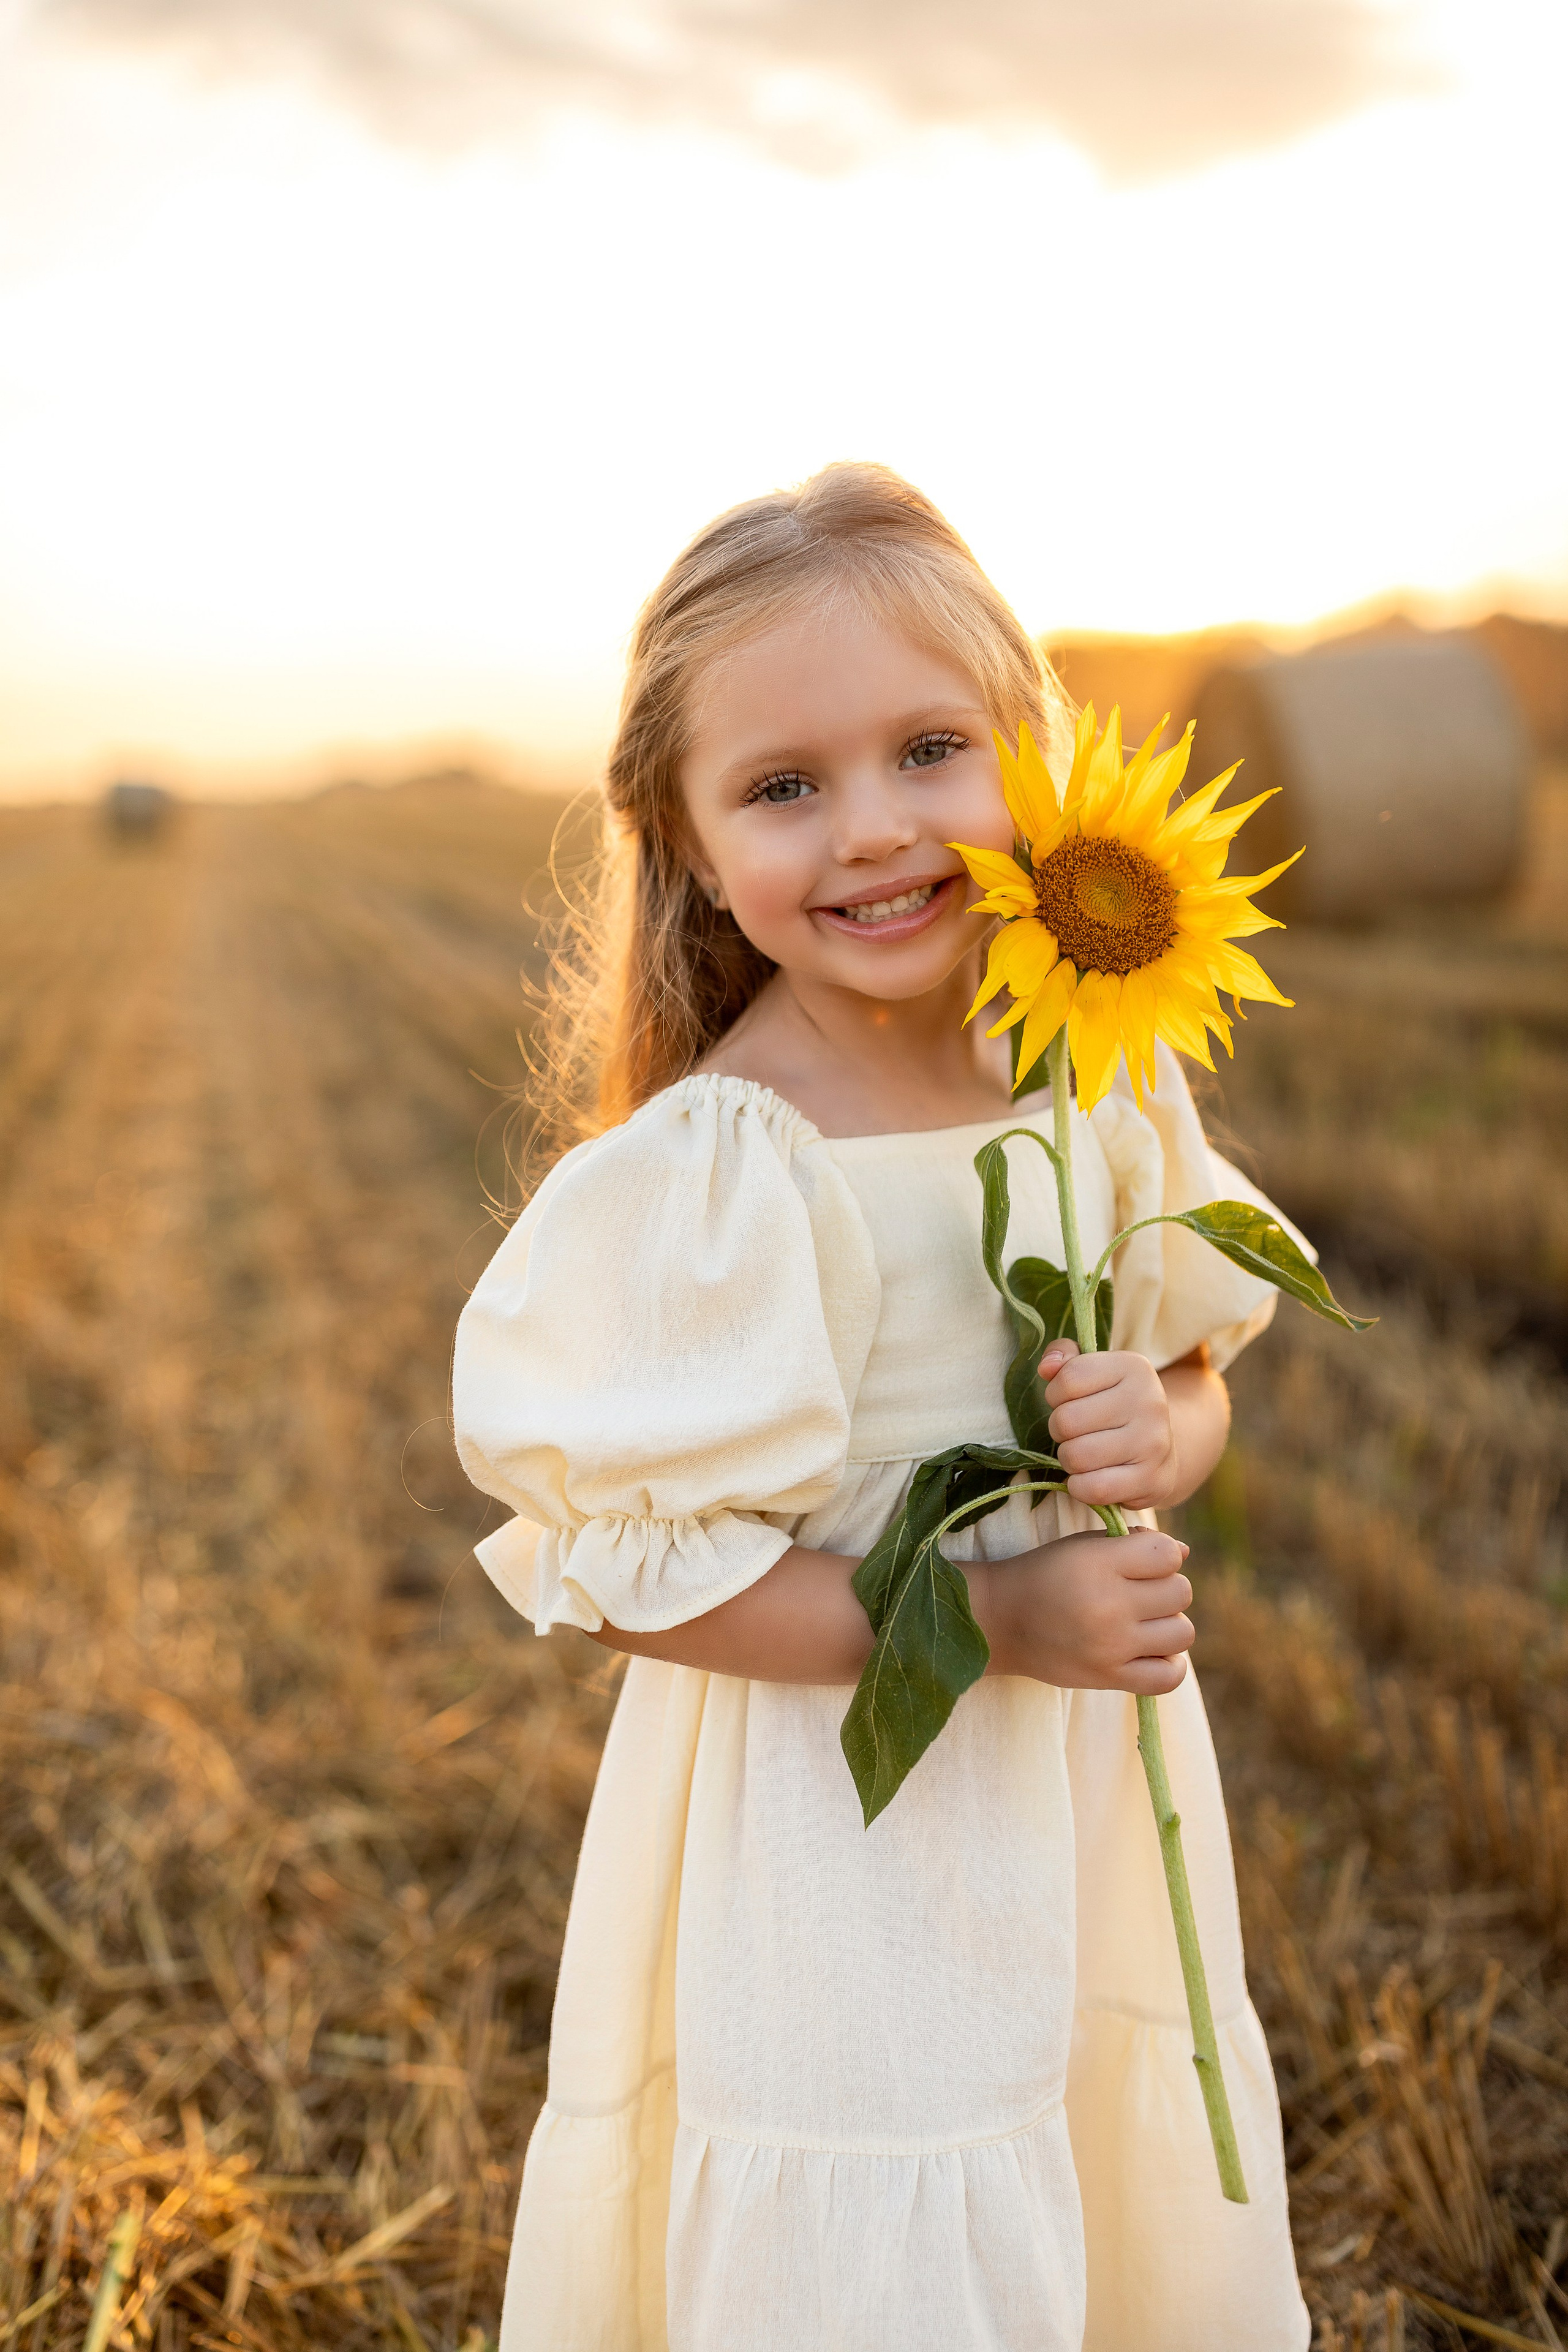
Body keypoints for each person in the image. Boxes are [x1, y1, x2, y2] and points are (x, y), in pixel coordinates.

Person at [452, 463, 1311, 2352]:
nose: (874, 831)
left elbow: (1192, 1370)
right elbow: (639, 1580)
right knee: (888, 2230)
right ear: (687, 844)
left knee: (1086, 2163)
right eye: (784, 786)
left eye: (931, 750)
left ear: (1032, 755)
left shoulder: (1086, 1076)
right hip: (843, 1831)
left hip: (1078, 1791)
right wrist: (992, 1616)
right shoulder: (726, 1167)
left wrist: (1159, 1438)